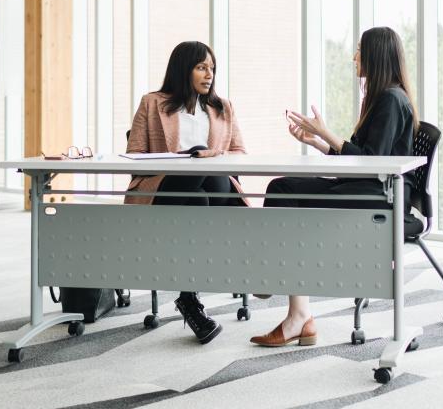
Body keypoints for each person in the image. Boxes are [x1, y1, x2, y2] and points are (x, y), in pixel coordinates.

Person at [249, 26, 418, 347]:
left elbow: (372, 163)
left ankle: (281, 289)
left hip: (381, 197)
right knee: (282, 188)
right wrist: (318, 142)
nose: (354, 56)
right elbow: (361, 158)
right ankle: (297, 312)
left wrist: (327, 134)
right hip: (368, 188)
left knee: (284, 192)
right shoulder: (380, 98)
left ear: (375, 56)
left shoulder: (391, 100)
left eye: (359, 50)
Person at [125, 41, 247, 344]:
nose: (209, 74)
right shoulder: (152, 103)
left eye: (212, 68)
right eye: (201, 67)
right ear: (183, 69)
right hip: (164, 189)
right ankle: (242, 264)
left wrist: (213, 156)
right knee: (201, 169)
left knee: (203, 195)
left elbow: (240, 155)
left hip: (207, 196)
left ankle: (188, 297)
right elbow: (134, 155)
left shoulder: (222, 108)